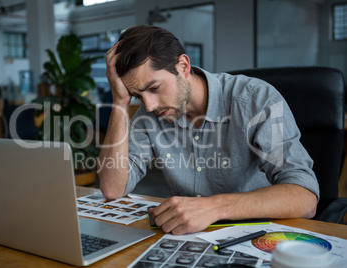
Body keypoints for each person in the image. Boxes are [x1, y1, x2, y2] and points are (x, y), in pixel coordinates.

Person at [97, 25, 319, 235]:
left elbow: (305, 198)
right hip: (188, 239)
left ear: (183, 66)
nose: (150, 106)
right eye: (138, 96)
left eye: (154, 88)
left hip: (257, 236)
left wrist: (214, 208)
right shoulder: (150, 114)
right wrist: (120, 102)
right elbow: (113, 189)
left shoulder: (255, 100)